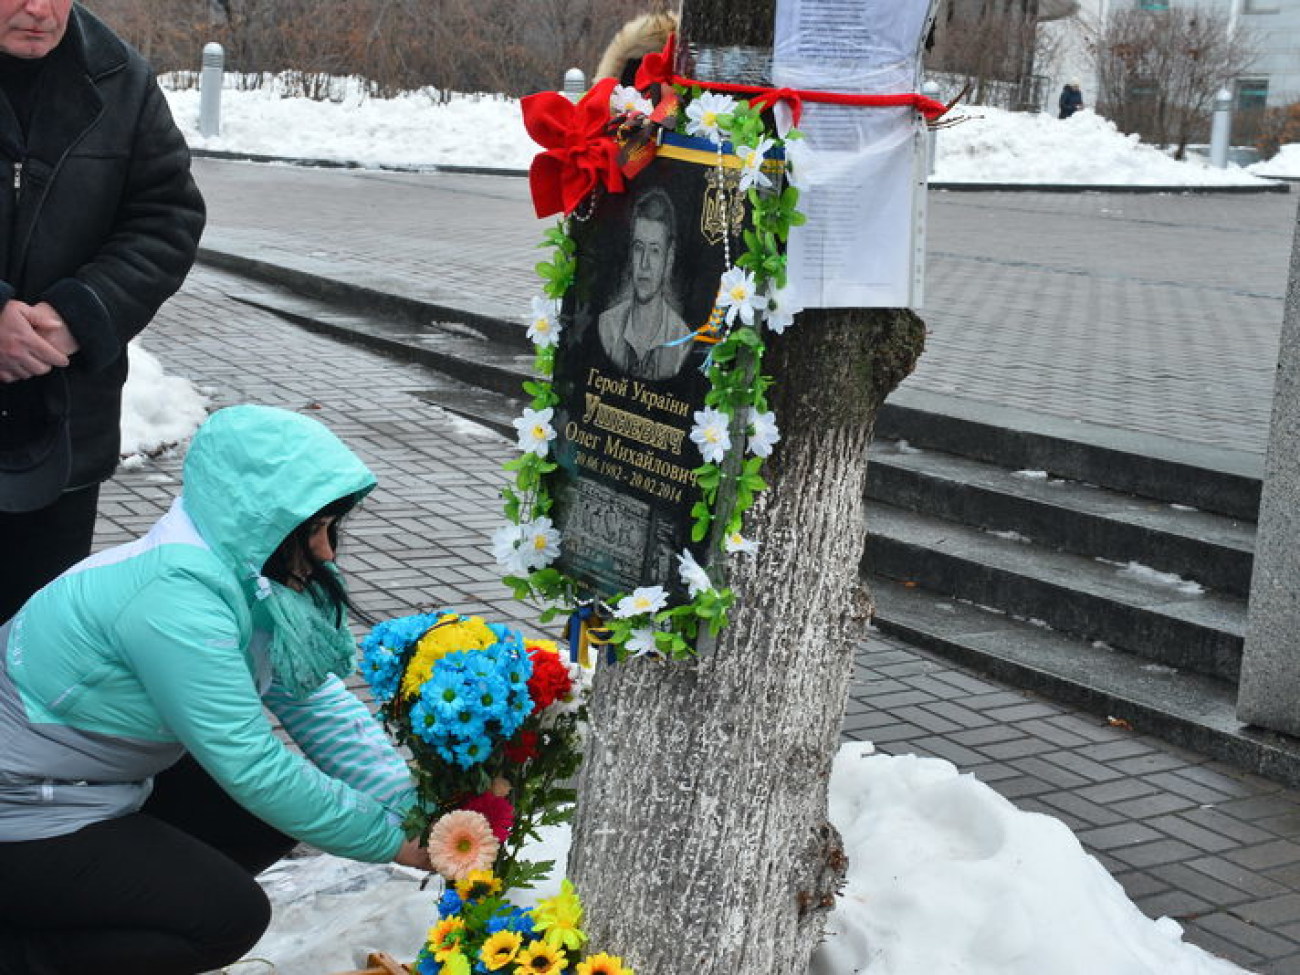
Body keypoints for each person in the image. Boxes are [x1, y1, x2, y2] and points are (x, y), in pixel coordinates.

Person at [0, 404, 429, 974]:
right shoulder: (175, 601)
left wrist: (416, 814)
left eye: (331, 529)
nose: (327, 552)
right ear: (258, 518)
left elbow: (316, 705)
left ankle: (92, 916)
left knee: (279, 813)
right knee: (228, 918)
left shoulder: (238, 569)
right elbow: (251, 764)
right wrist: (395, 845)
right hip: (23, 810)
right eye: (314, 531)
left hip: (87, 783)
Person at [0, 0, 206, 624]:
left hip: (61, 427)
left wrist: (77, 315)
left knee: (37, 648)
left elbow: (167, 218)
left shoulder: (121, 77)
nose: (40, 9)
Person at [597, 187, 692, 381]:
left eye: (655, 251)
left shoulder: (682, 340)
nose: (644, 264)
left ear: (669, 257)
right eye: (639, 248)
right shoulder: (607, 326)